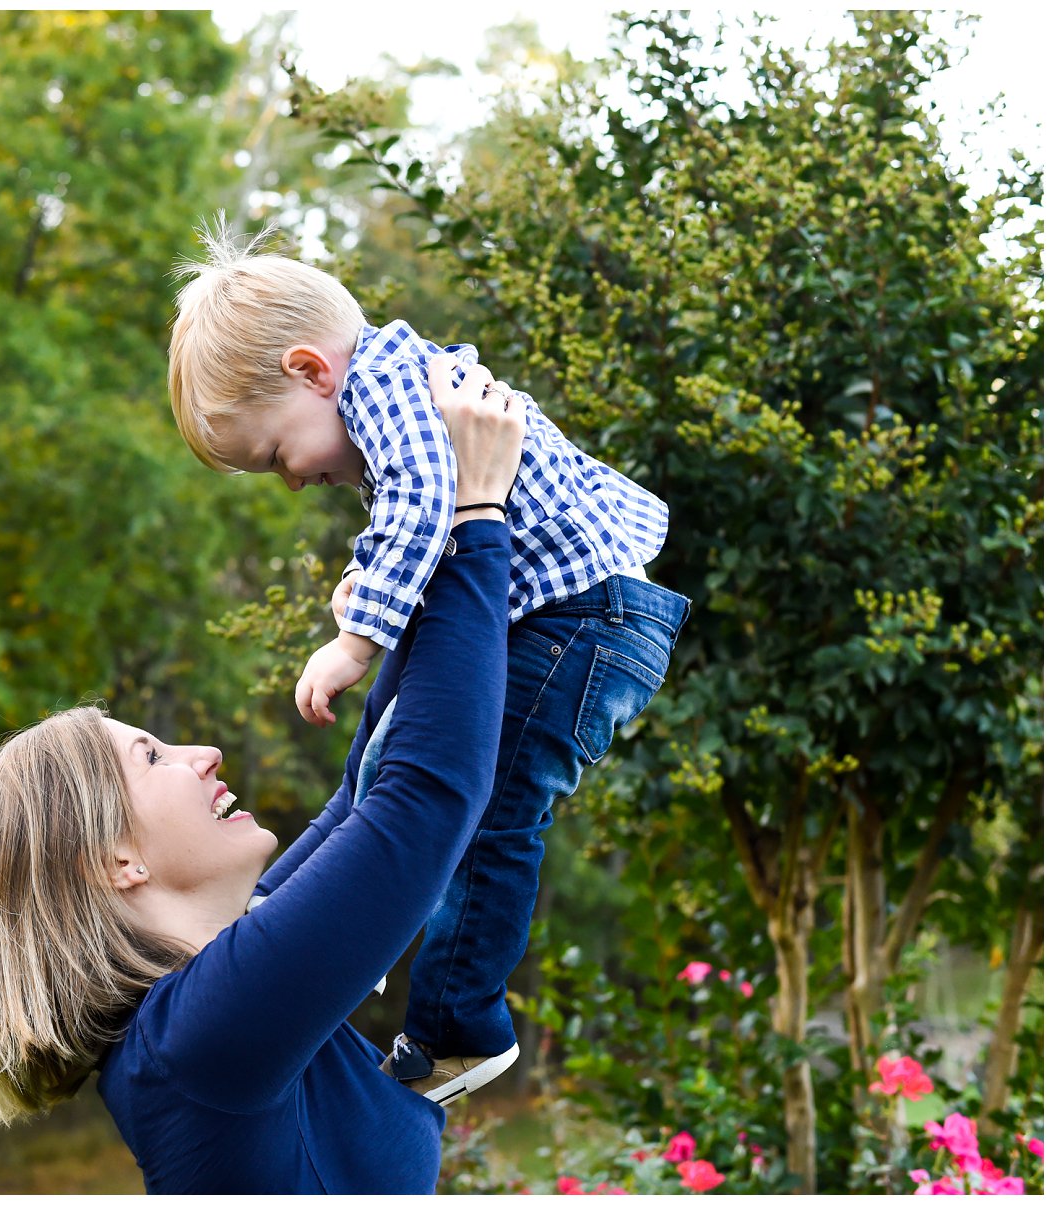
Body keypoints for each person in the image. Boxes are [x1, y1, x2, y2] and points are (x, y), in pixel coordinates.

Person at [0, 358, 524, 1192]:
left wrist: (397, 593)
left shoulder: (212, 1000)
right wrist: (476, 514)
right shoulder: (200, 1035)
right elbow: (422, 804)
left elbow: (369, 793)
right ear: (115, 859)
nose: (204, 754)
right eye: (153, 756)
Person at [165, 218, 690, 1101]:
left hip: (584, 623)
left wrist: (356, 637)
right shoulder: (389, 389)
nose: (292, 481)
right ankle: (297, 919)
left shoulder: (390, 389)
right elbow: (415, 517)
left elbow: (421, 500)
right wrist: (366, 580)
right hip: (562, 618)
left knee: (490, 813)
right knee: (377, 775)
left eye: (274, 455)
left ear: (309, 370)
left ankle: (461, 1025)